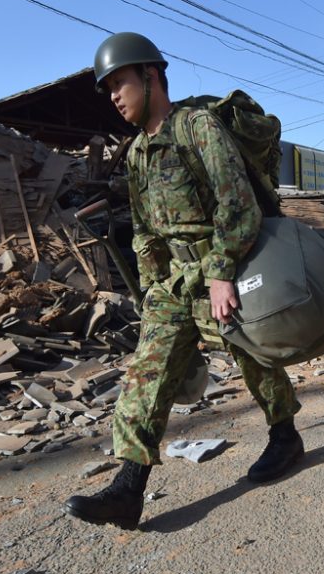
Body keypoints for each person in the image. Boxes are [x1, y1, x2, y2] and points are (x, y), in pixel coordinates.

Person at [64, 32, 303, 530]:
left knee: (253, 354)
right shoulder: (136, 154)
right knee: (146, 375)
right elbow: (146, 230)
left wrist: (221, 274)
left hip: (226, 264)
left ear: (151, 77)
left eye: (120, 82)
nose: (113, 95)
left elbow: (237, 205)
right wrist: (152, 288)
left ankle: (285, 435)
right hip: (174, 284)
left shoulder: (196, 127)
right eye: (107, 87)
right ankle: (128, 488)